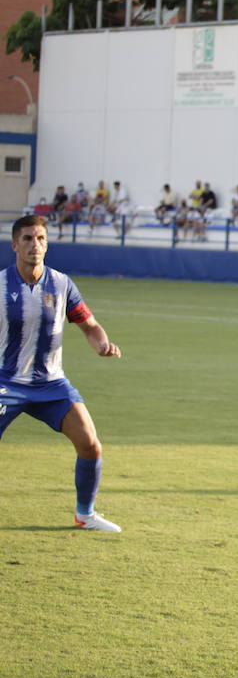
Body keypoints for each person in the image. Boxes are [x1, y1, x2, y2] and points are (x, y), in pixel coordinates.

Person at [2, 216, 123, 531]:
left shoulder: (61, 283)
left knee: (90, 444)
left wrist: (101, 344)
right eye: (28, 239)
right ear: (15, 245)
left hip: (51, 384)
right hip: (6, 383)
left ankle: (85, 515)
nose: (35, 245)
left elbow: (88, 324)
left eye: (41, 238)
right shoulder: (1, 286)